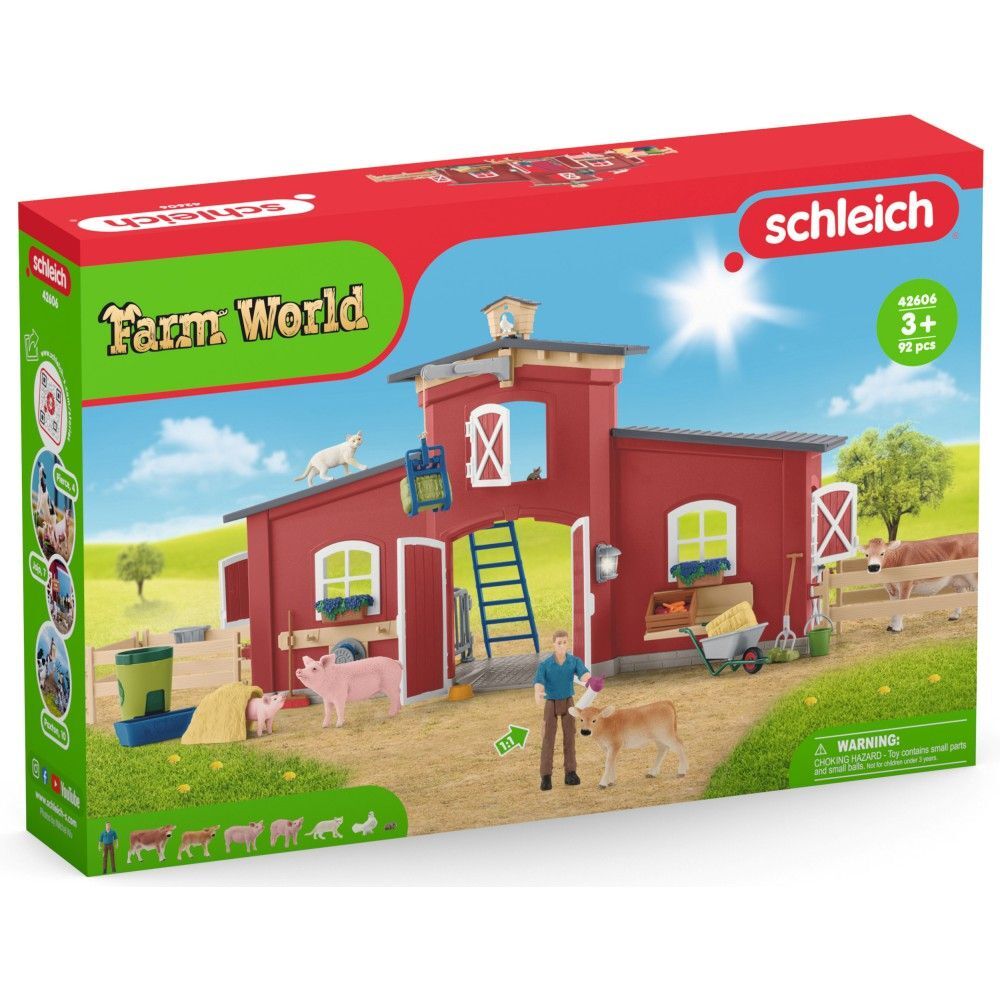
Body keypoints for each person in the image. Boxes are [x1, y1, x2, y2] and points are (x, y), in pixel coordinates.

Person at [533, 629, 590, 791]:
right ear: (553, 644)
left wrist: (590, 680)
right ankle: (546, 776)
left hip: (568, 702)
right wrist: (538, 691)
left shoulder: (573, 661)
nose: (562, 646)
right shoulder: (545, 665)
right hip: (550, 702)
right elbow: (539, 681)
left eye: (565, 642)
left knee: (570, 736)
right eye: (559, 643)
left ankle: (571, 772)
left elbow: (583, 674)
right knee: (548, 738)